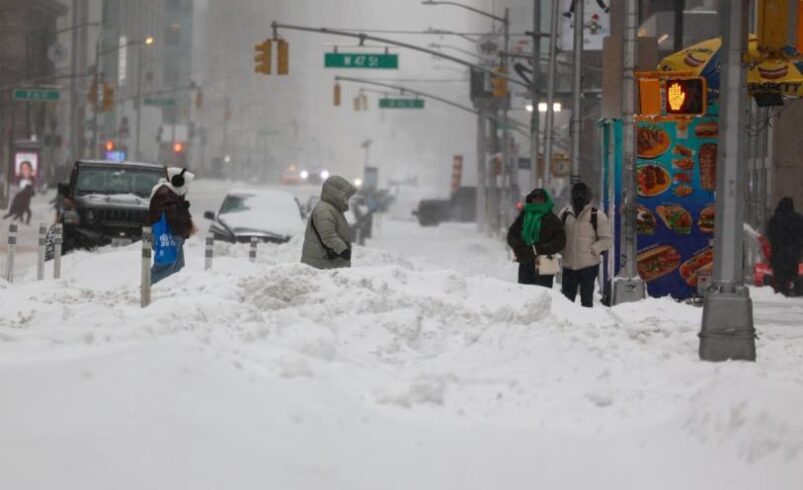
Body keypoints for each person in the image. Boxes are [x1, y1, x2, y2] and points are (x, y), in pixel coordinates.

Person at [560, 182, 613, 307]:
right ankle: (568, 324)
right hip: (569, 265)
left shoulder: (597, 215)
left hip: (588, 267)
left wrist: (593, 250)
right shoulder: (564, 214)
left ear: (588, 196)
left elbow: (607, 240)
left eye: (582, 193)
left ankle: (587, 325)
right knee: (566, 303)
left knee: (587, 301)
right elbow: (558, 235)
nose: (579, 196)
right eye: (576, 193)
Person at [506, 188, 566, 288]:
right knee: (525, 294)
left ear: (545, 200)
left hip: (545, 262)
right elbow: (511, 234)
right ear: (531, 199)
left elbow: (561, 240)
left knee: (542, 295)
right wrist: (518, 246)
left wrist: (543, 248)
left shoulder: (552, 219)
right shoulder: (524, 216)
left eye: (540, 197)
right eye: (535, 197)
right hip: (526, 261)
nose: (537, 200)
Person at [148, 167, 195, 284]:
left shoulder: (171, 193)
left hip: (175, 235)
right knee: (165, 268)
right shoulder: (163, 192)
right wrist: (181, 208)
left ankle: (170, 294)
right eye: (186, 184)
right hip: (168, 235)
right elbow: (166, 213)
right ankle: (146, 289)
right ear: (177, 181)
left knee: (177, 270)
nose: (187, 189)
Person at [301, 175, 357, 269]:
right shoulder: (325, 210)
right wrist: (343, 250)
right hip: (321, 265)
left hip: (324, 264)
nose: (347, 199)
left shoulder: (332, 209)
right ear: (338, 193)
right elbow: (328, 235)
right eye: (346, 196)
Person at [766, 197, 803, 296]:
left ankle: (780, 289)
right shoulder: (798, 219)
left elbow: (769, 233)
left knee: (779, 274)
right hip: (793, 254)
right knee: (791, 272)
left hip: (778, 253)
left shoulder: (775, 218)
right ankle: (790, 286)